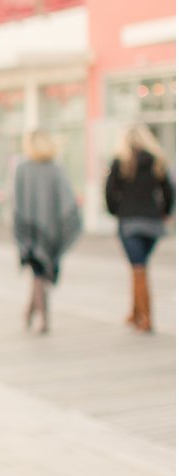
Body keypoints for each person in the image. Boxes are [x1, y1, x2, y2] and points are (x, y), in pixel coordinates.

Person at [104, 123, 175, 333]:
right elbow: (169, 191)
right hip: (153, 223)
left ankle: (146, 317)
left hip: (130, 222)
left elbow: (109, 192)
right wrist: (164, 212)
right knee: (140, 267)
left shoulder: (120, 162)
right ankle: (135, 312)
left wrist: (117, 211)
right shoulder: (157, 161)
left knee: (138, 268)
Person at [12, 130, 83, 334]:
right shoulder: (55, 169)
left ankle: (33, 313)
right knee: (40, 274)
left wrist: (19, 229)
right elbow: (69, 202)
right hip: (49, 232)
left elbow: (16, 203)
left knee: (38, 274)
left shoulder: (24, 169)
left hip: (32, 232)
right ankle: (41, 316)